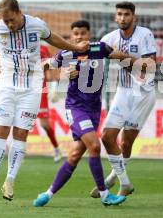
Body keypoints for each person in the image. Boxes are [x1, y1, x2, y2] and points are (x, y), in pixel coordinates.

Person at [0, 0, 88, 201]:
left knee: (21, 134)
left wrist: (74, 47)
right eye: (5, 21)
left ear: (19, 13)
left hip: (31, 87)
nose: (9, 24)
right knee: (1, 129)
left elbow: (53, 38)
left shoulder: (36, 25)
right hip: (6, 85)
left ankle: (10, 181)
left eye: (11, 19)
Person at [32, 20, 133, 207]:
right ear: (71, 37)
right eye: (75, 33)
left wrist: (136, 61)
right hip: (76, 108)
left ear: (89, 34)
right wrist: (62, 74)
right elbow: (47, 64)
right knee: (94, 146)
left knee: (75, 154)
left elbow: (118, 55)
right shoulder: (67, 53)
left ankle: (47, 194)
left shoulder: (100, 48)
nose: (79, 36)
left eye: (83, 33)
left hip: (94, 109)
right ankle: (104, 194)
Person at [90, 1, 157, 198]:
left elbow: (151, 66)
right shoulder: (109, 38)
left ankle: (112, 178)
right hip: (123, 91)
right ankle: (124, 182)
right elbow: (91, 58)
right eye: (119, 14)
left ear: (133, 17)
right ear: (115, 17)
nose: (122, 18)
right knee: (107, 137)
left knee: (126, 143)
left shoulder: (145, 34)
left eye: (126, 14)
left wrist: (123, 57)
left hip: (143, 94)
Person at [38, 44, 61, 162]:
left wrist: (53, 86)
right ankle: (18, 151)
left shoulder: (42, 49)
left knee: (44, 125)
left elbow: (51, 67)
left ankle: (57, 148)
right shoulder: (20, 46)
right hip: (22, 89)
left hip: (39, 90)